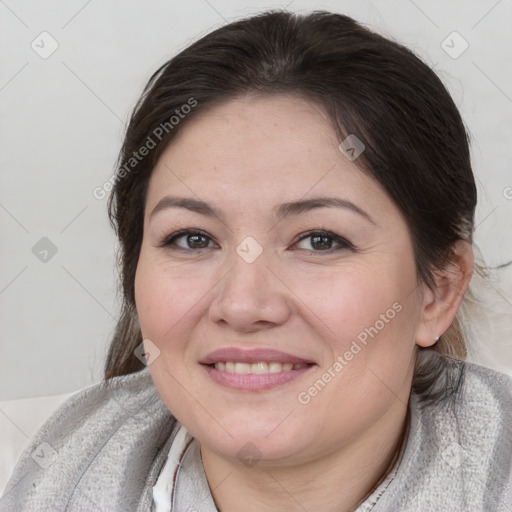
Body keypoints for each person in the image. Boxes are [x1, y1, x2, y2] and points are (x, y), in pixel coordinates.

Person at [1, 9, 511, 512]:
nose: (243, 305)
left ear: (438, 291)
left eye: (319, 240)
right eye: (193, 239)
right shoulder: (27, 472)